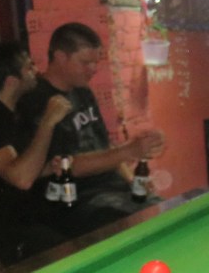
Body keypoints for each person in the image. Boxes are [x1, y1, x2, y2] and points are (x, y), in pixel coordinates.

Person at [18, 22, 166, 236]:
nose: (93, 69)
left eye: (95, 62)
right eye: (85, 62)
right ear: (60, 57)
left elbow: (105, 145)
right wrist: (130, 150)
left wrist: (132, 180)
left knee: (162, 209)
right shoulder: (35, 101)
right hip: (76, 200)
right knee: (140, 222)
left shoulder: (83, 91)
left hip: (111, 191)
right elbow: (65, 166)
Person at [0, 41, 71, 265]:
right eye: (29, 67)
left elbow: (19, 168)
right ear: (11, 81)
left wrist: (48, 168)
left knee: (91, 223)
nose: (36, 70)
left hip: (29, 217)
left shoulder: (17, 113)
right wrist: (47, 122)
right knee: (66, 252)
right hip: (0, 230)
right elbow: (20, 178)